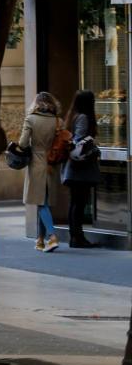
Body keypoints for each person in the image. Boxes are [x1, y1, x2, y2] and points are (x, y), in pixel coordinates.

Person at [19, 92, 62, 252]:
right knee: (42, 201)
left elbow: (22, 144)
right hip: (52, 164)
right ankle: (40, 240)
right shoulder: (58, 121)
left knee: (41, 202)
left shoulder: (30, 119)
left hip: (36, 163)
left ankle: (52, 236)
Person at [62, 90, 102, 248]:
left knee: (75, 202)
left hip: (72, 167)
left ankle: (75, 237)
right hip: (80, 168)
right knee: (79, 203)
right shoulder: (84, 117)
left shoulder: (73, 115)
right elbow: (80, 141)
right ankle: (77, 238)